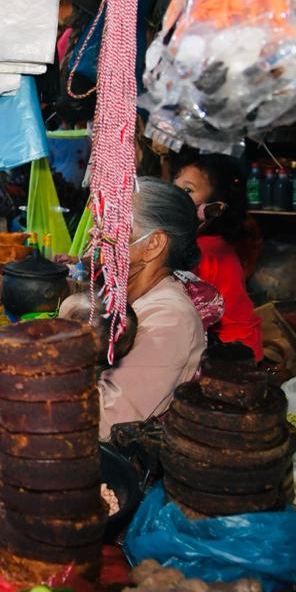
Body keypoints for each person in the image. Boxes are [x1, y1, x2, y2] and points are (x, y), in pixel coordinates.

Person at [66, 178, 205, 440]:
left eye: (112, 231)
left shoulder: (170, 318)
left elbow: (107, 420)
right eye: (99, 229)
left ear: (153, 244)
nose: (97, 241)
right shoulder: (127, 295)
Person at [174, 154, 263, 360]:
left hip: (233, 351)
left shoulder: (204, 249)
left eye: (187, 190)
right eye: (175, 186)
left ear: (214, 207)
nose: (176, 195)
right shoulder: (209, 242)